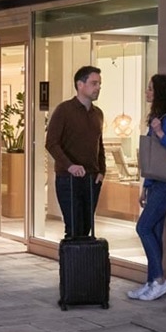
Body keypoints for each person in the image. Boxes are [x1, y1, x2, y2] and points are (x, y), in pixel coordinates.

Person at [128, 73, 166, 301]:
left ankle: (159, 281)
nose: (147, 92)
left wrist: (161, 133)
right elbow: (152, 159)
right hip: (157, 183)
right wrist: (146, 186)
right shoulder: (157, 117)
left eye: (151, 89)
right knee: (153, 230)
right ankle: (151, 281)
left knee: (143, 228)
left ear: (161, 93)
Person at [46, 65, 105, 238]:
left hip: (92, 180)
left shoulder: (98, 114)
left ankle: (83, 264)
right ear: (80, 85)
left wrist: (102, 171)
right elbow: (51, 143)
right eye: (94, 83)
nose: (98, 88)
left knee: (86, 227)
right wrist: (70, 166)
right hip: (68, 179)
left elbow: (99, 144)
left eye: (99, 84)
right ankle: (70, 264)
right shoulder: (64, 110)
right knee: (73, 228)